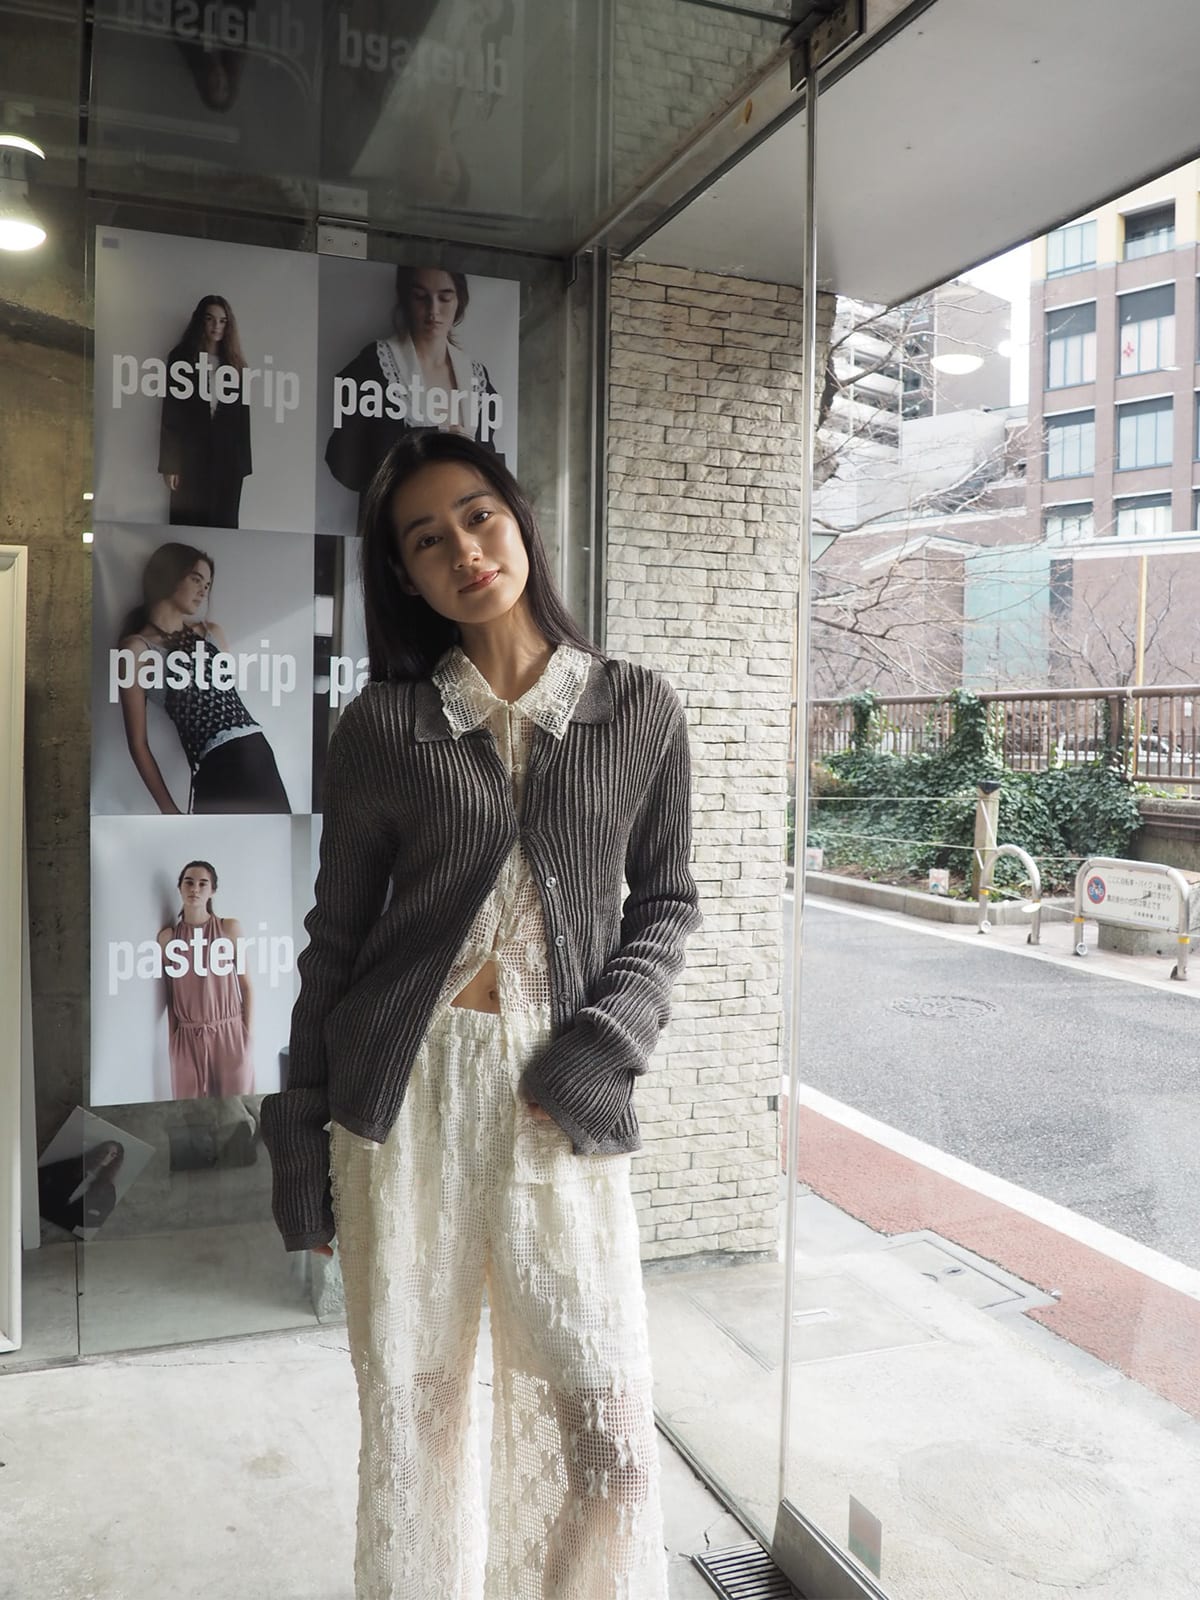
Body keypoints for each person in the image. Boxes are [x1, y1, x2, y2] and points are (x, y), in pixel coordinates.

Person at [260, 430, 701, 1599]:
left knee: (605, 1438)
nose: (462, 548)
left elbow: (667, 903)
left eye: (477, 515)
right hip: (402, 1107)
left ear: (518, 518)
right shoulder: (384, 727)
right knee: (420, 1428)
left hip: (559, 1097)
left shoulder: (637, 708)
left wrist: (605, 1047)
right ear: (405, 576)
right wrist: (298, 1142)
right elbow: (335, 943)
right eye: (426, 539)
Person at [116, 541, 290, 814]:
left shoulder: (212, 632)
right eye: (196, 579)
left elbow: (228, 698)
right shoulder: (136, 649)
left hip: (255, 751)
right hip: (212, 763)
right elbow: (138, 743)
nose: (203, 591)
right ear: (169, 576)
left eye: (207, 585)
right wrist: (169, 811)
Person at [324, 266, 502, 518]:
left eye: (445, 297)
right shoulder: (376, 364)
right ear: (405, 299)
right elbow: (342, 462)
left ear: (459, 301)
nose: (433, 311)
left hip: (459, 525)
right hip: (392, 521)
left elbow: (491, 471)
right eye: (421, 297)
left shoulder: (476, 377)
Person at [159, 859, 254, 1100]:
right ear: (180, 887)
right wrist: (173, 1042)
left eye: (203, 883)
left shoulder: (229, 929)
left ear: (213, 891)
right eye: (189, 882)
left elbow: (246, 986)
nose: (195, 889)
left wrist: (246, 1037)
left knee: (236, 1110)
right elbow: (170, 995)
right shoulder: (169, 938)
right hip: (187, 1038)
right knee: (190, 1113)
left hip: (230, 1034)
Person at [159, 295, 253, 529]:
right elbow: (171, 413)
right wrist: (170, 464)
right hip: (191, 456)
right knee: (187, 522)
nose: (216, 326)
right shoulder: (181, 359)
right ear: (200, 321)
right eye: (210, 319)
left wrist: (242, 465)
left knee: (224, 524)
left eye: (222, 321)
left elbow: (243, 418)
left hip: (227, 459)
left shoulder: (236, 366)